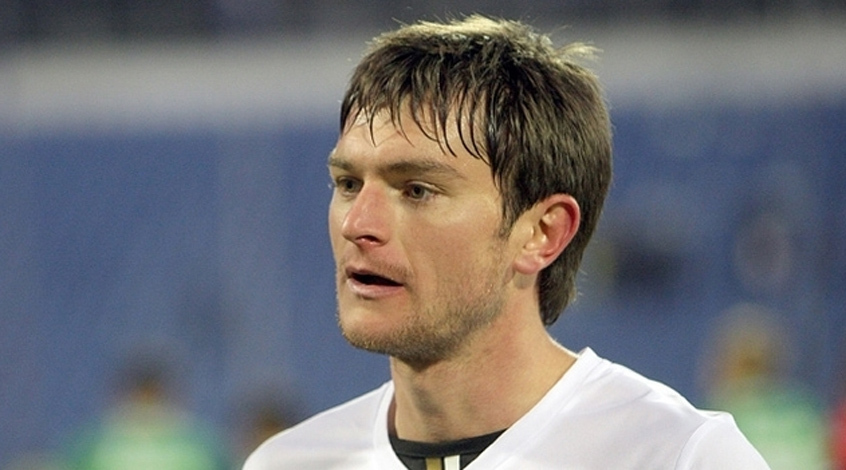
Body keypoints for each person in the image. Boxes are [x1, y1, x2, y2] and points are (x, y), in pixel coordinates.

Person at [244, 15, 768, 469]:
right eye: (348, 184)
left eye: (417, 190)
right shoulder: (287, 462)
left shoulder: (678, 457)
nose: (358, 223)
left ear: (542, 233)